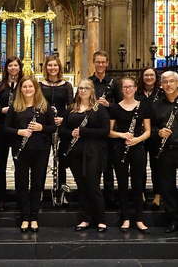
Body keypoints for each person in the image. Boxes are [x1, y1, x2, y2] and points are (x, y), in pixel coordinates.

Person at [5, 76, 56, 232]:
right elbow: (5, 128)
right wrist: (19, 131)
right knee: (21, 183)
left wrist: (41, 128)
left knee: (37, 183)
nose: (27, 89)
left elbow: (52, 127)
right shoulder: (15, 106)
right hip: (20, 151)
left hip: (41, 150)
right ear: (21, 89)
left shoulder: (43, 106)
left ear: (36, 88)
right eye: (25, 87)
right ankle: (25, 217)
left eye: (30, 87)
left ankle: (34, 217)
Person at [61, 79, 109, 232]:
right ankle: (85, 218)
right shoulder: (71, 108)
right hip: (75, 152)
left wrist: (83, 132)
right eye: (80, 88)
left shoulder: (98, 109)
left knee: (92, 185)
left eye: (86, 88)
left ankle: (100, 219)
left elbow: (105, 131)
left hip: (93, 152)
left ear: (92, 90)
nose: (83, 91)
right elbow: (63, 131)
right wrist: (72, 133)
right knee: (81, 186)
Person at [109, 77, 150, 233]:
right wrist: (122, 135)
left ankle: (139, 218)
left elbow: (147, 131)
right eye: (125, 87)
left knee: (138, 183)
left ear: (135, 88)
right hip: (120, 148)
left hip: (137, 148)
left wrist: (136, 140)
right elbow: (109, 132)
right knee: (122, 183)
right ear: (121, 89)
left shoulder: (143, 106)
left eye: (130, 86)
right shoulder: (114, 107)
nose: (127, 89)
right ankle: (125, 217)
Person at [39, 55, 73, 205]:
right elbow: (37, 105)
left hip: (62, 126)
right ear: (45, 67)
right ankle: (39, 191)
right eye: (50, 65)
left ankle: (61, 192)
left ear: (59, 67)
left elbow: (71, 106)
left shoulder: (67, 85)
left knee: (61, 160)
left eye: (55, 65)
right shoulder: (40, 85)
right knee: (41, 160)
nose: (52, 68)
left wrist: (63, 119)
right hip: (45, 127)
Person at [89, 50, 121, 209]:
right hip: (93, 129)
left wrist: (109, 105)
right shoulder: (88, 82)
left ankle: (109, 198)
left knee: (109, 166)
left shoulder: (114, 83)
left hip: (110, 128)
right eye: (98, 62)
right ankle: (94, 199)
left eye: (103, 62)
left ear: (107, 63)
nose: (100, 65)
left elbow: (122, 106)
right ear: (93, 63)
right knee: (93, 166)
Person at [0, 56, 23, 211]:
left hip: (18, 130)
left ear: (19, 67)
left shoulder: (24, 85)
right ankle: (1, 200)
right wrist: (1, 110)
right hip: (3, 131)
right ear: (6, 68)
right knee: (1, 166)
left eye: (15, 65)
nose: (13, 68)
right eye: (10, 65)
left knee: (20, 165)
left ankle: (20, 199)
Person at [151, 71, 178, 233]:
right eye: (165, 82)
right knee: (167, 187)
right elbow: (150, 127)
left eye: (172, 81)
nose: (168, 84)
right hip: (166, 151)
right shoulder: (156, 104)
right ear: (161, 84)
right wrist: (158, 132)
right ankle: (173, 219)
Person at [136, 67, 161, 209]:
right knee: (139, 166)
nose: (149, 77)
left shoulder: (161, 92)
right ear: (142, 77)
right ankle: (141, 194)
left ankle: (158, 195)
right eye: (146, 75)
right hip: (140, 133)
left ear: (156, 77)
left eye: (152, 75)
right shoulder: (137, 92)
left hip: (156, 134)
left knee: (156, 166)